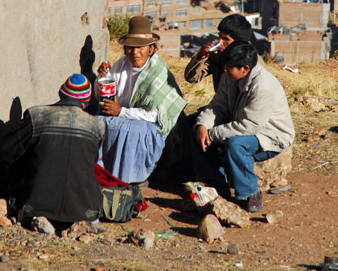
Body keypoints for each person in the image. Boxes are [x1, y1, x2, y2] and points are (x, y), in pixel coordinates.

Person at [194, 42, 295, 212]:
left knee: (236, 144)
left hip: (269, 136)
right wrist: (203, 125)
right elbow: (218, 105)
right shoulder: (231, 76)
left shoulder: (263, 87)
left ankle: (250, 193)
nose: (225, 70)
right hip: (241, 124)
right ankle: (216, 182)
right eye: (226, 65)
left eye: (230, 67)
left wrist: (212, 133)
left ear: (245, 68)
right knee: (196, 129)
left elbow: (249, 127)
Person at [2, 74, 106, 227]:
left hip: (34, 208)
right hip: (83, 212)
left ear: (60, 93)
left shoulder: (36, 116)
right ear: (86, 102)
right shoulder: (97, 126)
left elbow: (7, 153)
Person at [95, 16, 187, 184]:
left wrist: (121, 111)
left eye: (140, 48)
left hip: (151, 126)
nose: (134, 52)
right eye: (130, 47)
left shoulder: (158, 74)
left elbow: (155, 116)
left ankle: (132, 177)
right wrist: (102, 78)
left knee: (130, 131)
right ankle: (103, 171)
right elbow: (105, 93)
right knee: (97, 122)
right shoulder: (122, 65)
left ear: (151, 50)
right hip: (122, 117)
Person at [184, 14, 253, 92]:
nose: (220, 42)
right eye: (219, 37)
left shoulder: (252, 61)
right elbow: (191, 78)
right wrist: (200, 57)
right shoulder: (217, 56)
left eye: (225, 39)